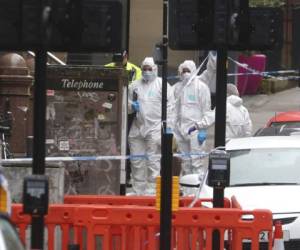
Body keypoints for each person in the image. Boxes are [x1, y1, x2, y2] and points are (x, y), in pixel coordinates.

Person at [127, 57, 174, 195]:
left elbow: (171, 107)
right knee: (136, 160)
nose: (146, 72)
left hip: (154, 127)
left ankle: (152, 190)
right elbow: (127, 104)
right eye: (144, 69)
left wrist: (168, 127)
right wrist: (131, 106)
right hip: (137, 126)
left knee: (153, 161)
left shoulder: (162, 85)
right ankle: (138, 190)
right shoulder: (134, 85)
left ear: (155, 69)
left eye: (149, 69)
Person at [173, 60, 212, 182]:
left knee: (196, 162)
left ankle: (196, 190)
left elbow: (206, 110)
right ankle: (186, 190)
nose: (185, 74)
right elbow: (174, 110)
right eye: (183, 71)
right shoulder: (177, 88)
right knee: (185, 163)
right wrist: (173, 129)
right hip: (181, 130)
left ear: (194, 71)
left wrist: (203, 130)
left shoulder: (201, 87)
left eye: (188, 71)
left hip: (196, 130)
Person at [188, 83, 253, 141]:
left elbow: (210, 119)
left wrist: (196, 126)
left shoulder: (223, 106)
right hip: (239, 144)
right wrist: (246, 140)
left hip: (226, 143)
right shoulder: (243, 109)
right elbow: (248, 127)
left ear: (226, 94)